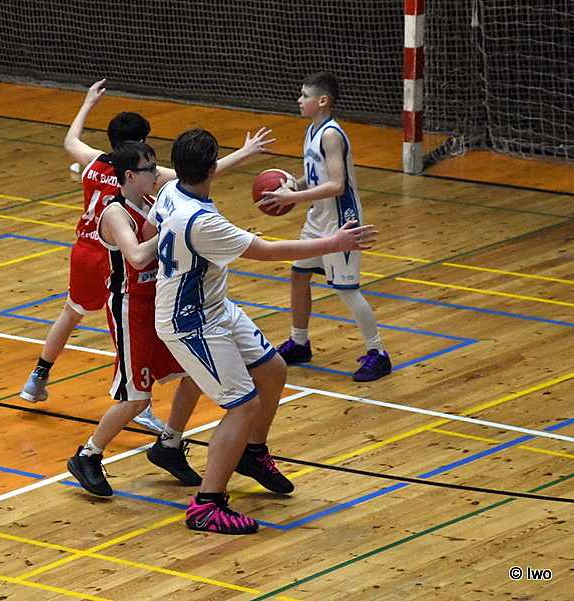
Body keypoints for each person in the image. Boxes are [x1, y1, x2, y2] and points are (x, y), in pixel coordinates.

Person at [149, 128, 377, 534]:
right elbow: (269, 252)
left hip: (214, 306)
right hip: (190, 321)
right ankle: (206, 505)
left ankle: (251, 452)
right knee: (243, 406)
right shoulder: (202, 222)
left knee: (273, 370)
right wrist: (334, 241)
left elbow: (157, 234)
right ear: (212, 168)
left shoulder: (170, 191)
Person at [20, 78, 276, 432]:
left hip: (85, 251)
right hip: (120, 258)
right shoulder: (147, 178)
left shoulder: (94, 162)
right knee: (132, 324)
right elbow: (193, 174)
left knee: (72, 313)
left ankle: (39, 375)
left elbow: (69, 140)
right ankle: (136, 399)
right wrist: (245, 153)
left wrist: (88, 103)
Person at [66, 140, 204, 497]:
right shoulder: (115, 212)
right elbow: (139, 257)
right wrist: (173, 228)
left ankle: (169, 445)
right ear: (130, 175)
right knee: (137, 399)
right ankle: (88, 455)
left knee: (196, 374)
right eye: (150, 168)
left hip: (160, 304)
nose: (157, 173)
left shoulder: (151, 203)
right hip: (130, 308)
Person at [260, 71, 391, 382]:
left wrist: (293, 196)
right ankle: (299, 343)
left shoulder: (331, 134)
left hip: (341, 221)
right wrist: (294, 185)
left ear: (322, 101)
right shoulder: (312, 130)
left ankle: (378, 353)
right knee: (298, 275)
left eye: (305, 95)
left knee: (347, 291)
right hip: (318, 218)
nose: (299, 100)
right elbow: (316, 177)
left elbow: (336, 184)